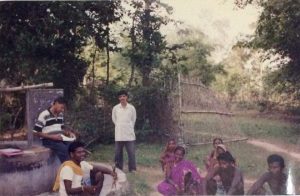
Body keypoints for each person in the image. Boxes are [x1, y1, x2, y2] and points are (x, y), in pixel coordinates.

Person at [53, 141, 117, 196]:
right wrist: (84, 188)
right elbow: (68, 191)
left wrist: (111, 173)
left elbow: (97, 168)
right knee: (85, 192)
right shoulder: (67, 168)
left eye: (83, 151)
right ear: (72, 154)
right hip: (71, 194)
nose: (82, 154)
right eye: (79, 152)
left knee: (99, 174)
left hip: (79, 190)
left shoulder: (82, 163)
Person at [33, 96, 75, 162]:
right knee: (63, 149)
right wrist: (52, 137)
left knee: (73, 146)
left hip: (59, 138)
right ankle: (67, 169)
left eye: (63, 108)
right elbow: (36, 132)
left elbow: (60, 128)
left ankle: (74, 167)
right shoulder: (44, 115)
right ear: (56, 103)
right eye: (61, 107)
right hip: (48, 140)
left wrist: (68, 133)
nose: (62, 110)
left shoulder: (60, 115)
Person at [112, 90, 137, 172]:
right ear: (118, 98)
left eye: (124, 96)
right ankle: (119, 168)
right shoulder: (115, 108)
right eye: (120, 96)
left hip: (129, 134)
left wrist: (128, 127)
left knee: (131, 153)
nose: (122, 98)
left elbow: (133, 119)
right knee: (118, 153)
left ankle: (132, 169)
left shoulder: (131, 108)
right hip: (119, 134)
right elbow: (114, 119)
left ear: (126, 97)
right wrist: (119, 126)